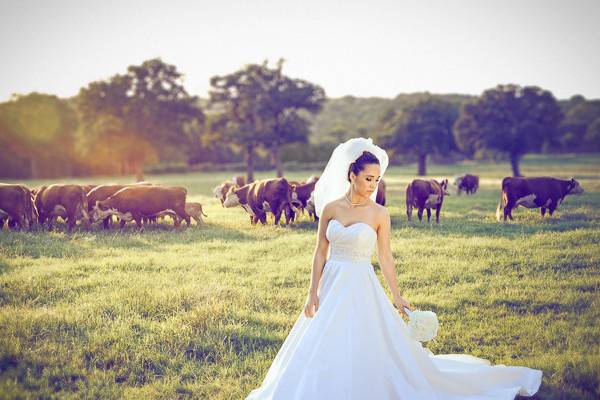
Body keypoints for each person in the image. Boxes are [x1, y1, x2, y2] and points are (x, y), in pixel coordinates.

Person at [246, 138, 542, 399]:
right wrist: (312, 292)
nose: (373, 185)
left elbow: (385, 257)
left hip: (361, 281)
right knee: (320, 340)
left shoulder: (379, 213)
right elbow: (320, 251)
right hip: (332, 281)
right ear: (352, 175)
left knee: (370, 340)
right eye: (368, 179)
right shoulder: (331, 209)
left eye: (376, 179)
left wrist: (397, 296)